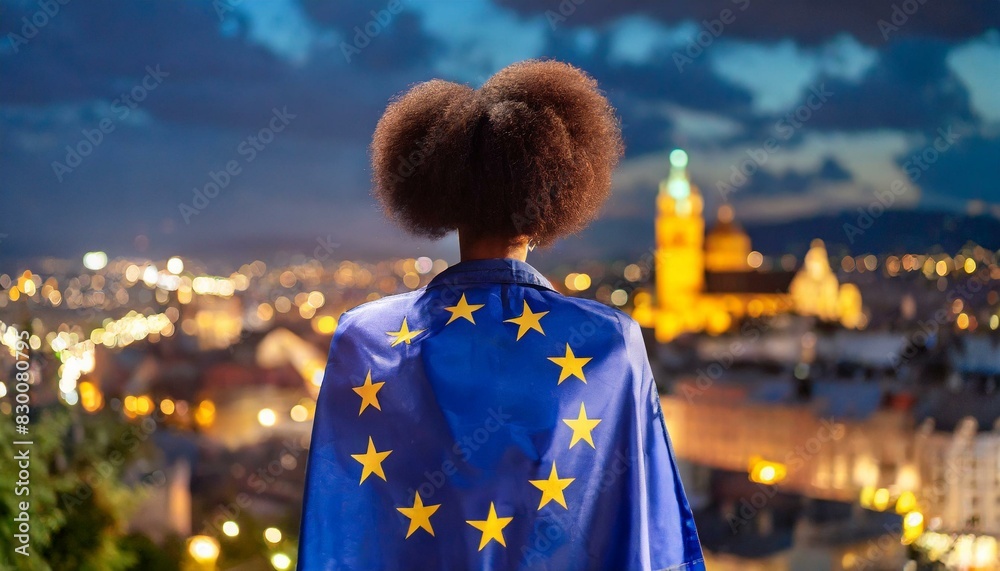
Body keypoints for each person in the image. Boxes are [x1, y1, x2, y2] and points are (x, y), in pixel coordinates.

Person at [298, 59, 705, 571]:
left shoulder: (364, 337)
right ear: (549, 206)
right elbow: (641, 523)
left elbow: (345, 524)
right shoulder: (608, 340)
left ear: (443, 199)